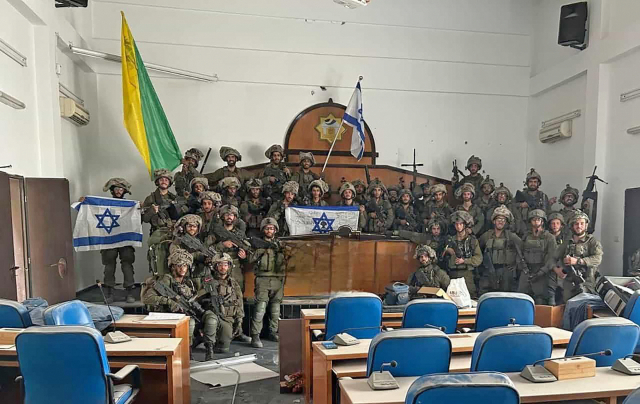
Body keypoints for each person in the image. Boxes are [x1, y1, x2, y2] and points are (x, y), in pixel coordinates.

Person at [141, 249, 217, 359]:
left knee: (211, 318)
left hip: (189, 311)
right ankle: (188, 351)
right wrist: (169, 302)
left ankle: (209, 348)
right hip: (169, 314)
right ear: (172, 266)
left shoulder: (188, 282)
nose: (183, 269)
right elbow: (147, 298)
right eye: (179, 265)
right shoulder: (165, 281)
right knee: (189, 322)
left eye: (185, 266)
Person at [198, 253, 250, 356]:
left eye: (225, 265)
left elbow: (239, 303)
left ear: (229, 266)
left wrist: (239, 320)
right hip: (211, 315)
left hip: (227, 318)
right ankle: (208, 345)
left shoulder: (233, 283)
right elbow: (198, 299)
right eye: (220, 265)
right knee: (211, 320)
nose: (223, 267)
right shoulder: (208, 281)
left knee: (223, 349)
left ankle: (209, 340)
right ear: (215, 266)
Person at [97, 178, 136, 303]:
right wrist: (84, 202)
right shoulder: (103, 206)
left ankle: (130, 292)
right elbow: (90, 213)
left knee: (127, 265)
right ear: (111, 190)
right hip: (109, 239)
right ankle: (109, 292)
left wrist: (138, 208)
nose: (119, 191)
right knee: (109, 266)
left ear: (124, 191)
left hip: (125, 239)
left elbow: (137, 221)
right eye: (116, 188)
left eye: (121, 189)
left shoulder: (130, 206)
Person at [250, 218, 287, 348]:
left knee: (276, 309)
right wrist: (260, 251)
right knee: (260, 308)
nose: (269, 230)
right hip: (263, 279)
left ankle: (273, 331)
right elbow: (250, 259)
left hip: (278, 279)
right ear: (263, 230)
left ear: (275, 230)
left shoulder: (281, 244)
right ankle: (255, 336)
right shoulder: (258, 244)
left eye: (271, 228)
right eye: (267, 228)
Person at [553, 211, 603, 303]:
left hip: (586, 282)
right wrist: (557, 270)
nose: (579, 226)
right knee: (567, 308)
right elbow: (552, 258)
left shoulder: (592, 242)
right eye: (576, 224)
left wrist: (578, 261)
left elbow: (597, 259)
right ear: (572, 226)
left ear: (586, 225)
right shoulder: (567, 242)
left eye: (582, 223)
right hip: (569, 283)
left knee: (585, 309)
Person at [142, 169, 185, 275]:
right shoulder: (151, 198)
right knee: (159, 263)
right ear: (157, 181)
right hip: (158, 234)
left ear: (170, 182)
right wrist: (152, 211)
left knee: (175, 262)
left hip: (172, 234)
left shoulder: (174, 198)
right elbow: (145, 219)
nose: (164, 181)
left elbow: (180, 217)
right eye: (161, 179)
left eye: (166, 179)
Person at [478, 205, 523, 294]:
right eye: (499, 219)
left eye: (503, 220)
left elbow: (523, 249)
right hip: (489, 270)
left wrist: (516, 264)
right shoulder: (487, 235)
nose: (501, 222)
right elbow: (477, 249)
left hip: (506, 272)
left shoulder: (511, 236)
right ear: (494, 221)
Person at [518, 209, 557, 305]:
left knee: (540, 300)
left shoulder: (549, 237)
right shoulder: (526, 236)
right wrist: (522, 266)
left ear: (542, 221)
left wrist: (542, 271)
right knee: (521, 297)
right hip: (526, 270)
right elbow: (520, 253)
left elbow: (552, 257)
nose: (536, 222)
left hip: (542, 272)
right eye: (533, 219)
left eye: (538, 219)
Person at [445, 211, 482, 298]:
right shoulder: (450, 240)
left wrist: (465, 261)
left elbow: (478, 258)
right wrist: (446, 251)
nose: (458, 226)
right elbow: (440, 258)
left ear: (464, 225)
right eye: (456, 224)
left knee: (470, 298)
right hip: (452, 274)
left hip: (467, 274)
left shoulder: (472, 240)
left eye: (461, 224)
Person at [213, 205, 249, 292]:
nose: (229, 217)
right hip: (220, 267)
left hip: (236, 268)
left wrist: (244, 256)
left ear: (235, 217)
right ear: (222, 216)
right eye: (227, 214)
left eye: (232, 215)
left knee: (238, 293)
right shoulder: (216, 232)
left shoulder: (240, 234)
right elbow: (207, 249)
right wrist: (222, 245)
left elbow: (247, 252)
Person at [169, 214, 212, 278]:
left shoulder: (198, 240)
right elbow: (178, 258)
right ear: (185, 227)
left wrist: (206, 259)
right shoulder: (178, 241)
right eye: (189, 226)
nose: (192, 228)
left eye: (194, 226)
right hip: (182, 273)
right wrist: (197, 255)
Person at [512, 168, 550, 237]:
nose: (533, 184)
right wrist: (520, 205)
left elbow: (547, 212)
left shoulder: (543, 196)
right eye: (531, 182)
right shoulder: (521, 195)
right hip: (523, 227)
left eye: (535, 182)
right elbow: (511, 206)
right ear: (527, 183)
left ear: (538, 183)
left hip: (539, 228)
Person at [547, 212, 566, 304]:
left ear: (561, 225)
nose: (555, 226)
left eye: (557, 223)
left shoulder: (567, 239)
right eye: (553, 223)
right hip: (548, 270)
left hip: (563, 271)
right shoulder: (546, 237)